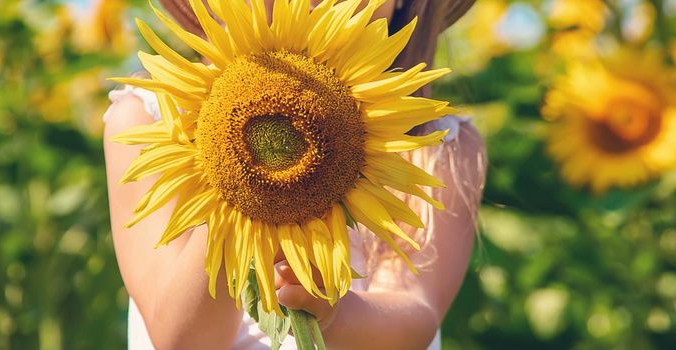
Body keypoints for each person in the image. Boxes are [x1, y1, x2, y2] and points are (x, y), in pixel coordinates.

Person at [102, 1, 484, 348]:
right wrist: (229, 180)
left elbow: (415, 314)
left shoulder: (438, 148)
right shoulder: (149, 121)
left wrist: (336, 316)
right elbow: (182, 339)